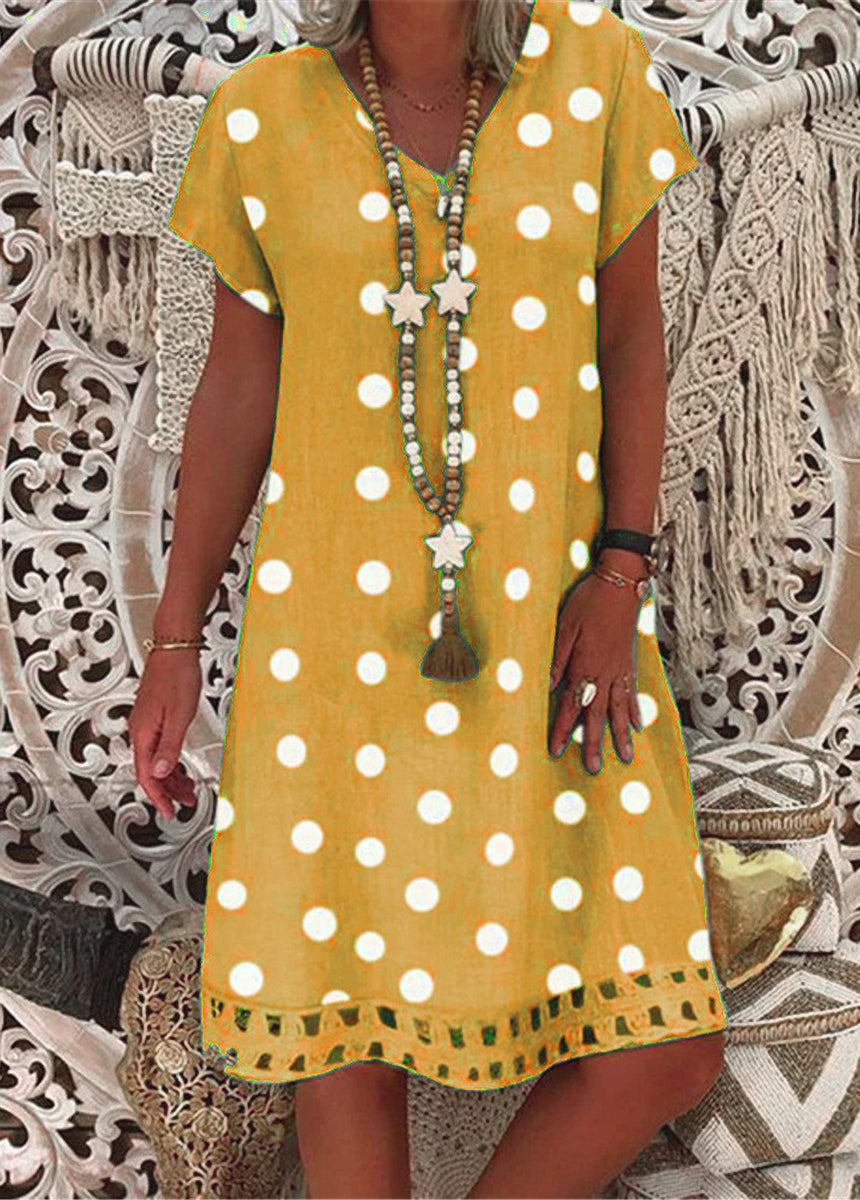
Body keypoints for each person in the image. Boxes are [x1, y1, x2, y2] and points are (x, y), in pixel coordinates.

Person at [129, 0, 728, 1194]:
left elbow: (631, 340)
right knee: (345, 1031)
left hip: (555, 643)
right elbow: (236, 389)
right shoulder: (263, 118)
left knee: (662, 1047)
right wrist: (175, 635)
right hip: (327, 655)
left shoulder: (596, 74)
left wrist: (619, 571)